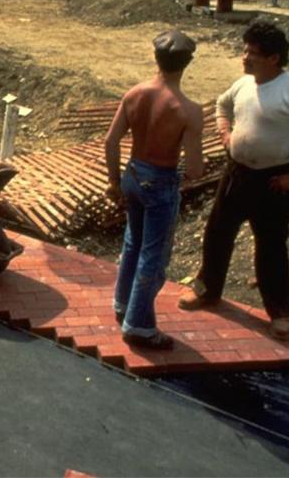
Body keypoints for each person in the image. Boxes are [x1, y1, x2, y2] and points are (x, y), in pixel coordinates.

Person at [177, 22, 289, 341]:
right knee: (218, 233)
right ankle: (207, 291)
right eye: (245, 50)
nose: (245, 58)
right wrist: (225, 131)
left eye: (253, 53)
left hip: (274, 181)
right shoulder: (243, 84)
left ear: (274, 58)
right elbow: (222, 104)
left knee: (271, 246)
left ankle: (279, 313)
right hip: (236, 174)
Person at [105, 30, 204, 350]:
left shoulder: (134, 94)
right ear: (187, 63)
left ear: (155, 58)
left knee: (133, 243)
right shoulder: (188, 110)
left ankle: (122, 304)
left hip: (132, 174)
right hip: (160, 181)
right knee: (153, 255)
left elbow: (111, 141)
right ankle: (140, 326)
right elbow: (195, 168)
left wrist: (113, 182)